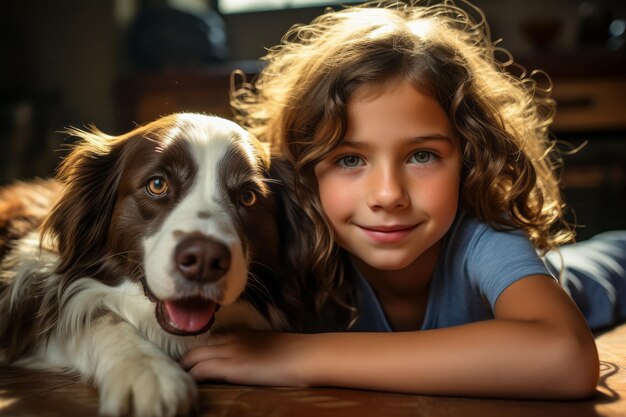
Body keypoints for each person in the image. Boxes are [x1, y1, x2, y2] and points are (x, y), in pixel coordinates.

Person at [181, 0, 626, 398]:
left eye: (421, 155)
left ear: (469, 159)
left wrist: (296, 356)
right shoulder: (300, 242)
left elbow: (565, 358)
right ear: (303, 172)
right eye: (350, 159)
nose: (389, 195)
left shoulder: (482, 235)